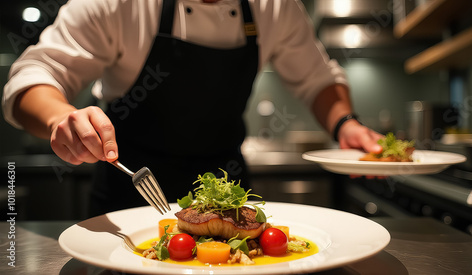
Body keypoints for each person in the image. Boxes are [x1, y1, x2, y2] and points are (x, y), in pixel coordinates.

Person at [2, 0, 383, 217]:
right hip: (129, 189)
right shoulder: (116, 4)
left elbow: (316, 77)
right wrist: (58, 117)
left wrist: (344, 123)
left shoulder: (275, 6)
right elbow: (34, 74)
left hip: (227, 191)